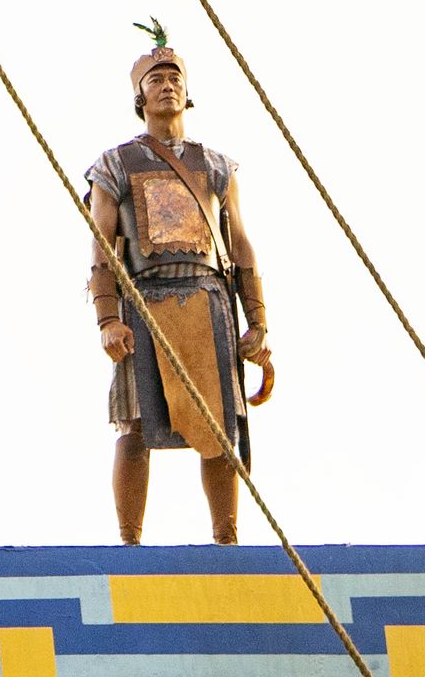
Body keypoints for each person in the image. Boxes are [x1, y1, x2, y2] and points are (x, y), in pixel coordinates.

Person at [85, 30, 274, 544]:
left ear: (186, 93)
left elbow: (240, 242)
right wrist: (107, 318)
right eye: (156, 80)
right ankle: (129, 541)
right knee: (136, 426)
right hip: (142, 303)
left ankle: (227, 536)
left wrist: (257, 320)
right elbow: (103, 244)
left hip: (209, 301)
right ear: (139, 96)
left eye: (175, 79)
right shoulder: (115, 164)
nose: (167, 86)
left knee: (221, 430)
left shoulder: (216, 166)